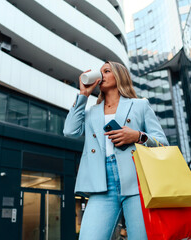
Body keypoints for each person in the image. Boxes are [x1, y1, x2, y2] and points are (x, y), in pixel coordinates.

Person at [63, 61, 169, 240]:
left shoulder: (140, 105)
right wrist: (83, 94)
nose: (101, 74)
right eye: (100, 72)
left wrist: (137, 136)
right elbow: (70, 131)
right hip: (101, 184)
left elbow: (163, 145)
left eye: (106, 71)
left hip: (137, 182)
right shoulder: (91, 112)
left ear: (119, 76)